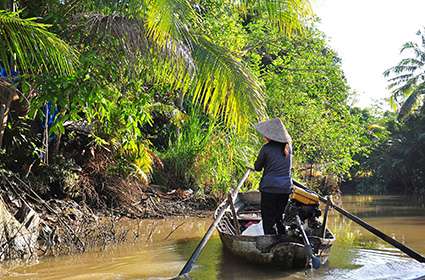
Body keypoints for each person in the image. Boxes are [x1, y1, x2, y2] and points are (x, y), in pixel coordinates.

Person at [254, 118, 292, 235]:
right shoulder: (288, 148)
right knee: (279, 217)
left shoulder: (266, 148)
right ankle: (282, 239)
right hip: (285, 188)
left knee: (268, 218)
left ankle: (270, 242)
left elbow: (257, 167)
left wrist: (265, 164)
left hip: (269, 188)